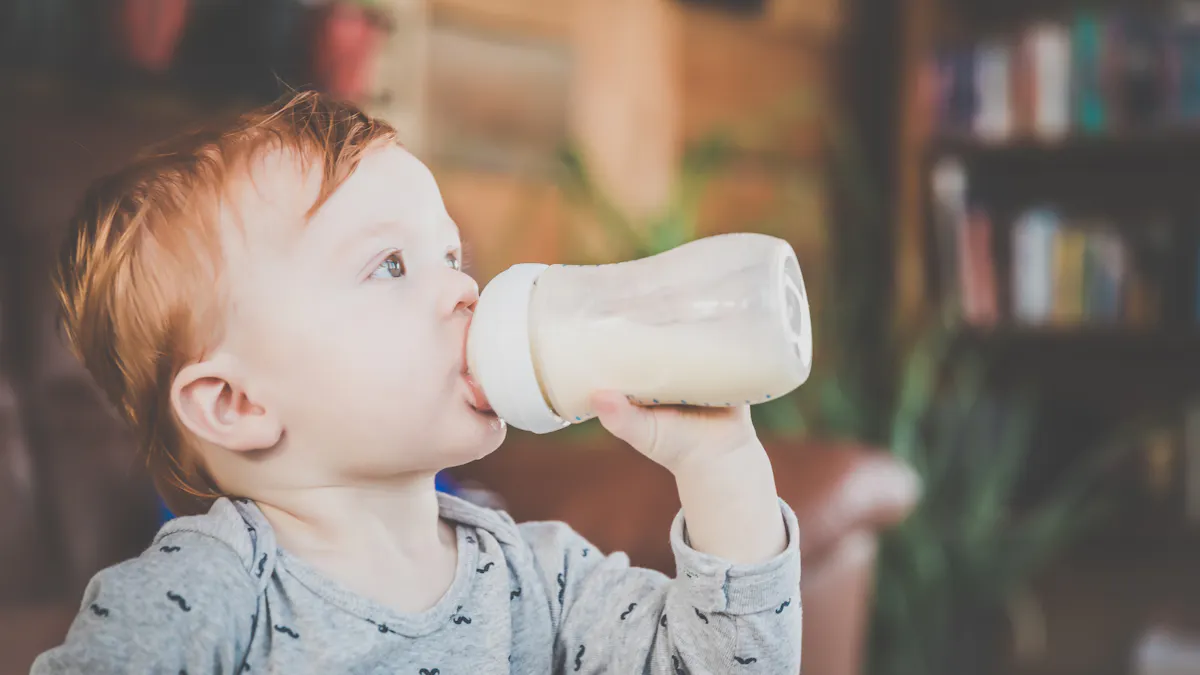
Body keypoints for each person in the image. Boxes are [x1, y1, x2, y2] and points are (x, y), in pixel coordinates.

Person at [32, 91, 802, 674]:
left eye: (451, 256)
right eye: (390, 266)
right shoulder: (201, 592)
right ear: (238, 402)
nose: (464, 288)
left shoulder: (538, 575)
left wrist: (721, 465)